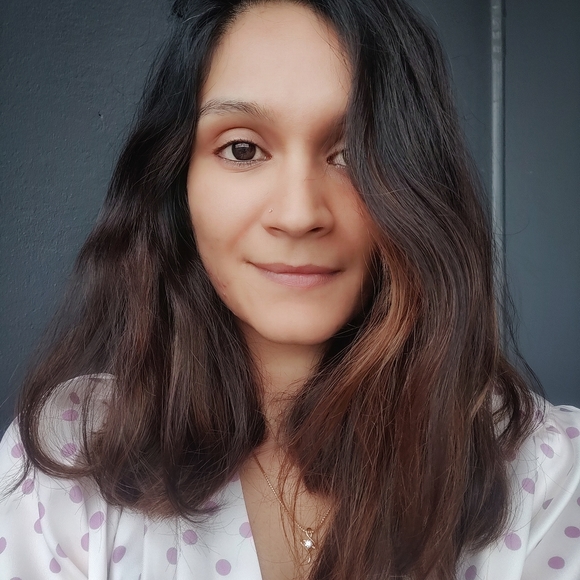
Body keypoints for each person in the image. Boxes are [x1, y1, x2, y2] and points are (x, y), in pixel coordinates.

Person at [0, 0, 579, 578]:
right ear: (178, 183)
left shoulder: (546, 472)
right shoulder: (70, 460)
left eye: (353, 153)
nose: (300, 215)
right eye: (243, 150)